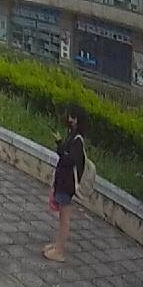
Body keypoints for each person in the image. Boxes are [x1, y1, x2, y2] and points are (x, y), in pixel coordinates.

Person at [45, 104, 89, 263]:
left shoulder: (78, 140)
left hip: (68, 184)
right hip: (63, 181)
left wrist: (61, 148)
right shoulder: (72, 135)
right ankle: (57, 245)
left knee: (65, 219)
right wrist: (59, 143)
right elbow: (64, 154)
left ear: (76, 119)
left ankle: (59, 251)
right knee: (62, 218)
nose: (68, 119)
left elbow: (69, 160)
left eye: (71, 116)